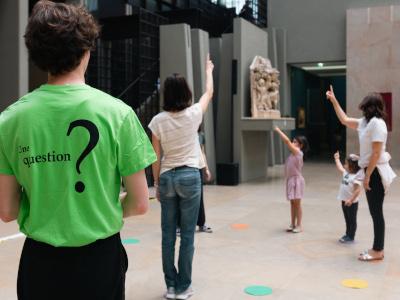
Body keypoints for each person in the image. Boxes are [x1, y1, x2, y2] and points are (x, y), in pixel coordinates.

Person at [0, 2, 156, 299]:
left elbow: (6, 211)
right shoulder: (118, 114)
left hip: (39, 265)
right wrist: (99, 210)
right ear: (87, 50)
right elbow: (139, 203)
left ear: (36, 55)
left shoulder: (9, 121)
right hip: (100, 261)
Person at [149, 56, 214, 299]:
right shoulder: (194, 113)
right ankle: (184, 287)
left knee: (168, 236)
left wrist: (156, 183)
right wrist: (209, 69)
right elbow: (209, 92)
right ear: (186, 92)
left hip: (166, 177)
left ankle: (171, 286)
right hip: (189, 176)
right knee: (187, 236)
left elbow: (155, 156)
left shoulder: (157, 121)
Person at [326, 85, 396, 261]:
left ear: (371, 107)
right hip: (370, 171)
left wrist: (368, 176)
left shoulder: (378, 124)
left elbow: (376, 153)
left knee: (376, 212)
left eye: (365, 107)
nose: (363, 110)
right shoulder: (366, 122)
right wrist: (334, 100)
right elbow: (344, 119)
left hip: (376, 173)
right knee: (375, 212)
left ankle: (378, 250)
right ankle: (377, 248)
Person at [275, 127, 309, 233]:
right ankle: (292, 224)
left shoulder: (298, 152)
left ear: (300, 145)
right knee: (292, 203)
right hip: (290, 180)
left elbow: (286, 141)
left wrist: (278, 130)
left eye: (295, 142)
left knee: (297, 203)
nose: (292, 143)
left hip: (297, 181)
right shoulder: (293, 153)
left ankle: (299, 225)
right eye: (293, 141)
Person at [334, 151, 364, 243]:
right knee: (347, 219)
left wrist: (351, 200)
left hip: (352, 202)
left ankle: (351, 236)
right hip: (344, 200)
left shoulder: (356, 177)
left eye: (346, 164)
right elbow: (339, 167)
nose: (344, 165)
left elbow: (357, 190)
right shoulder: (346, 173)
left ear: (353, 166)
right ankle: (347, 234)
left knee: (352, 220)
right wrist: (337, 159)